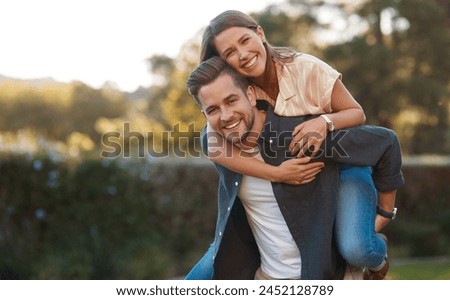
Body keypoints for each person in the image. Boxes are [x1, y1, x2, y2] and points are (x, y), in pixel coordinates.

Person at [193, 10, 399, 279]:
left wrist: (324, 122)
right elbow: (212, 144)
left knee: (357, 247)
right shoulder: (238, 90)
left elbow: (356, 114)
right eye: (230, 52)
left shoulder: (304, 68)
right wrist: (278, 173)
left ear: (260, 33)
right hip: (305, 161)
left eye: (245, 41)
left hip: (342, 157)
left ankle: (377, 253)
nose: (242, 54)